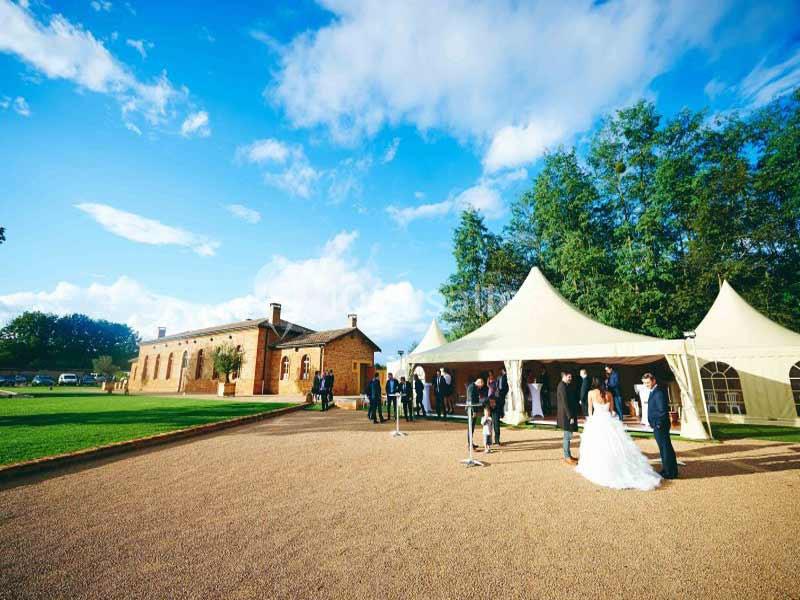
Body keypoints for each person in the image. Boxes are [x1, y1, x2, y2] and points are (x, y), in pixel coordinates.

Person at [575, 377, 662, 490]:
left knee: (597, 446)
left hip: (597, 421)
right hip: (609, 421)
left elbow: (590, 410)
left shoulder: (591, 393)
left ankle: (600, 468)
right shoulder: (609, 394)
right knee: (616, 446)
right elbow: (611, 411)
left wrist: (590, 421)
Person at [644, 372, 678, 479]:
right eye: (645, 383)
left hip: (660, 425)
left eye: (648, 382)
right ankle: (666, 469)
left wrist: (657, 424)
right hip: (658, 425)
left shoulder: (658, 392)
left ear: (654, 381)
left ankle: (670, 472)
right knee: (664, 448)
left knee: (665, 448)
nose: (646, 385)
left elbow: (662, 410)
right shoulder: (654, 391)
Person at [556, 371, 578, 465]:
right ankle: (567, 457)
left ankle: (568, 455)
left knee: (568, 436)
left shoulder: (565, 385)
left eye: (571, 376)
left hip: (567, 415)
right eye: (569, 376)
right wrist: (570, 417)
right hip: (566, 416)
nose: (570, 378)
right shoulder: (562, 386)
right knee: (567, 437)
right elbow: (565, 403)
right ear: (564, 376)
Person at [465, 377, 485, 449]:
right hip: (471, 409)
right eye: (481, 386)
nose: (480, 387)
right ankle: (469, 444)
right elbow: (471, 400)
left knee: (472, 427)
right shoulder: (472, 387)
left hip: (472, 409)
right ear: (479, 383)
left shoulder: (473, 387)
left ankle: (470, 443)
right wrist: (474, 411)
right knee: (470, 427)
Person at [494, 367, 509, 445]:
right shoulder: (499, 377)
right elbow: (499, 385)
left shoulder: (504, 377)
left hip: (501, 394)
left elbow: (505, 386)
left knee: (501, 405)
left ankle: (501, 414)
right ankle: (496, 440)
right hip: (499, 395)